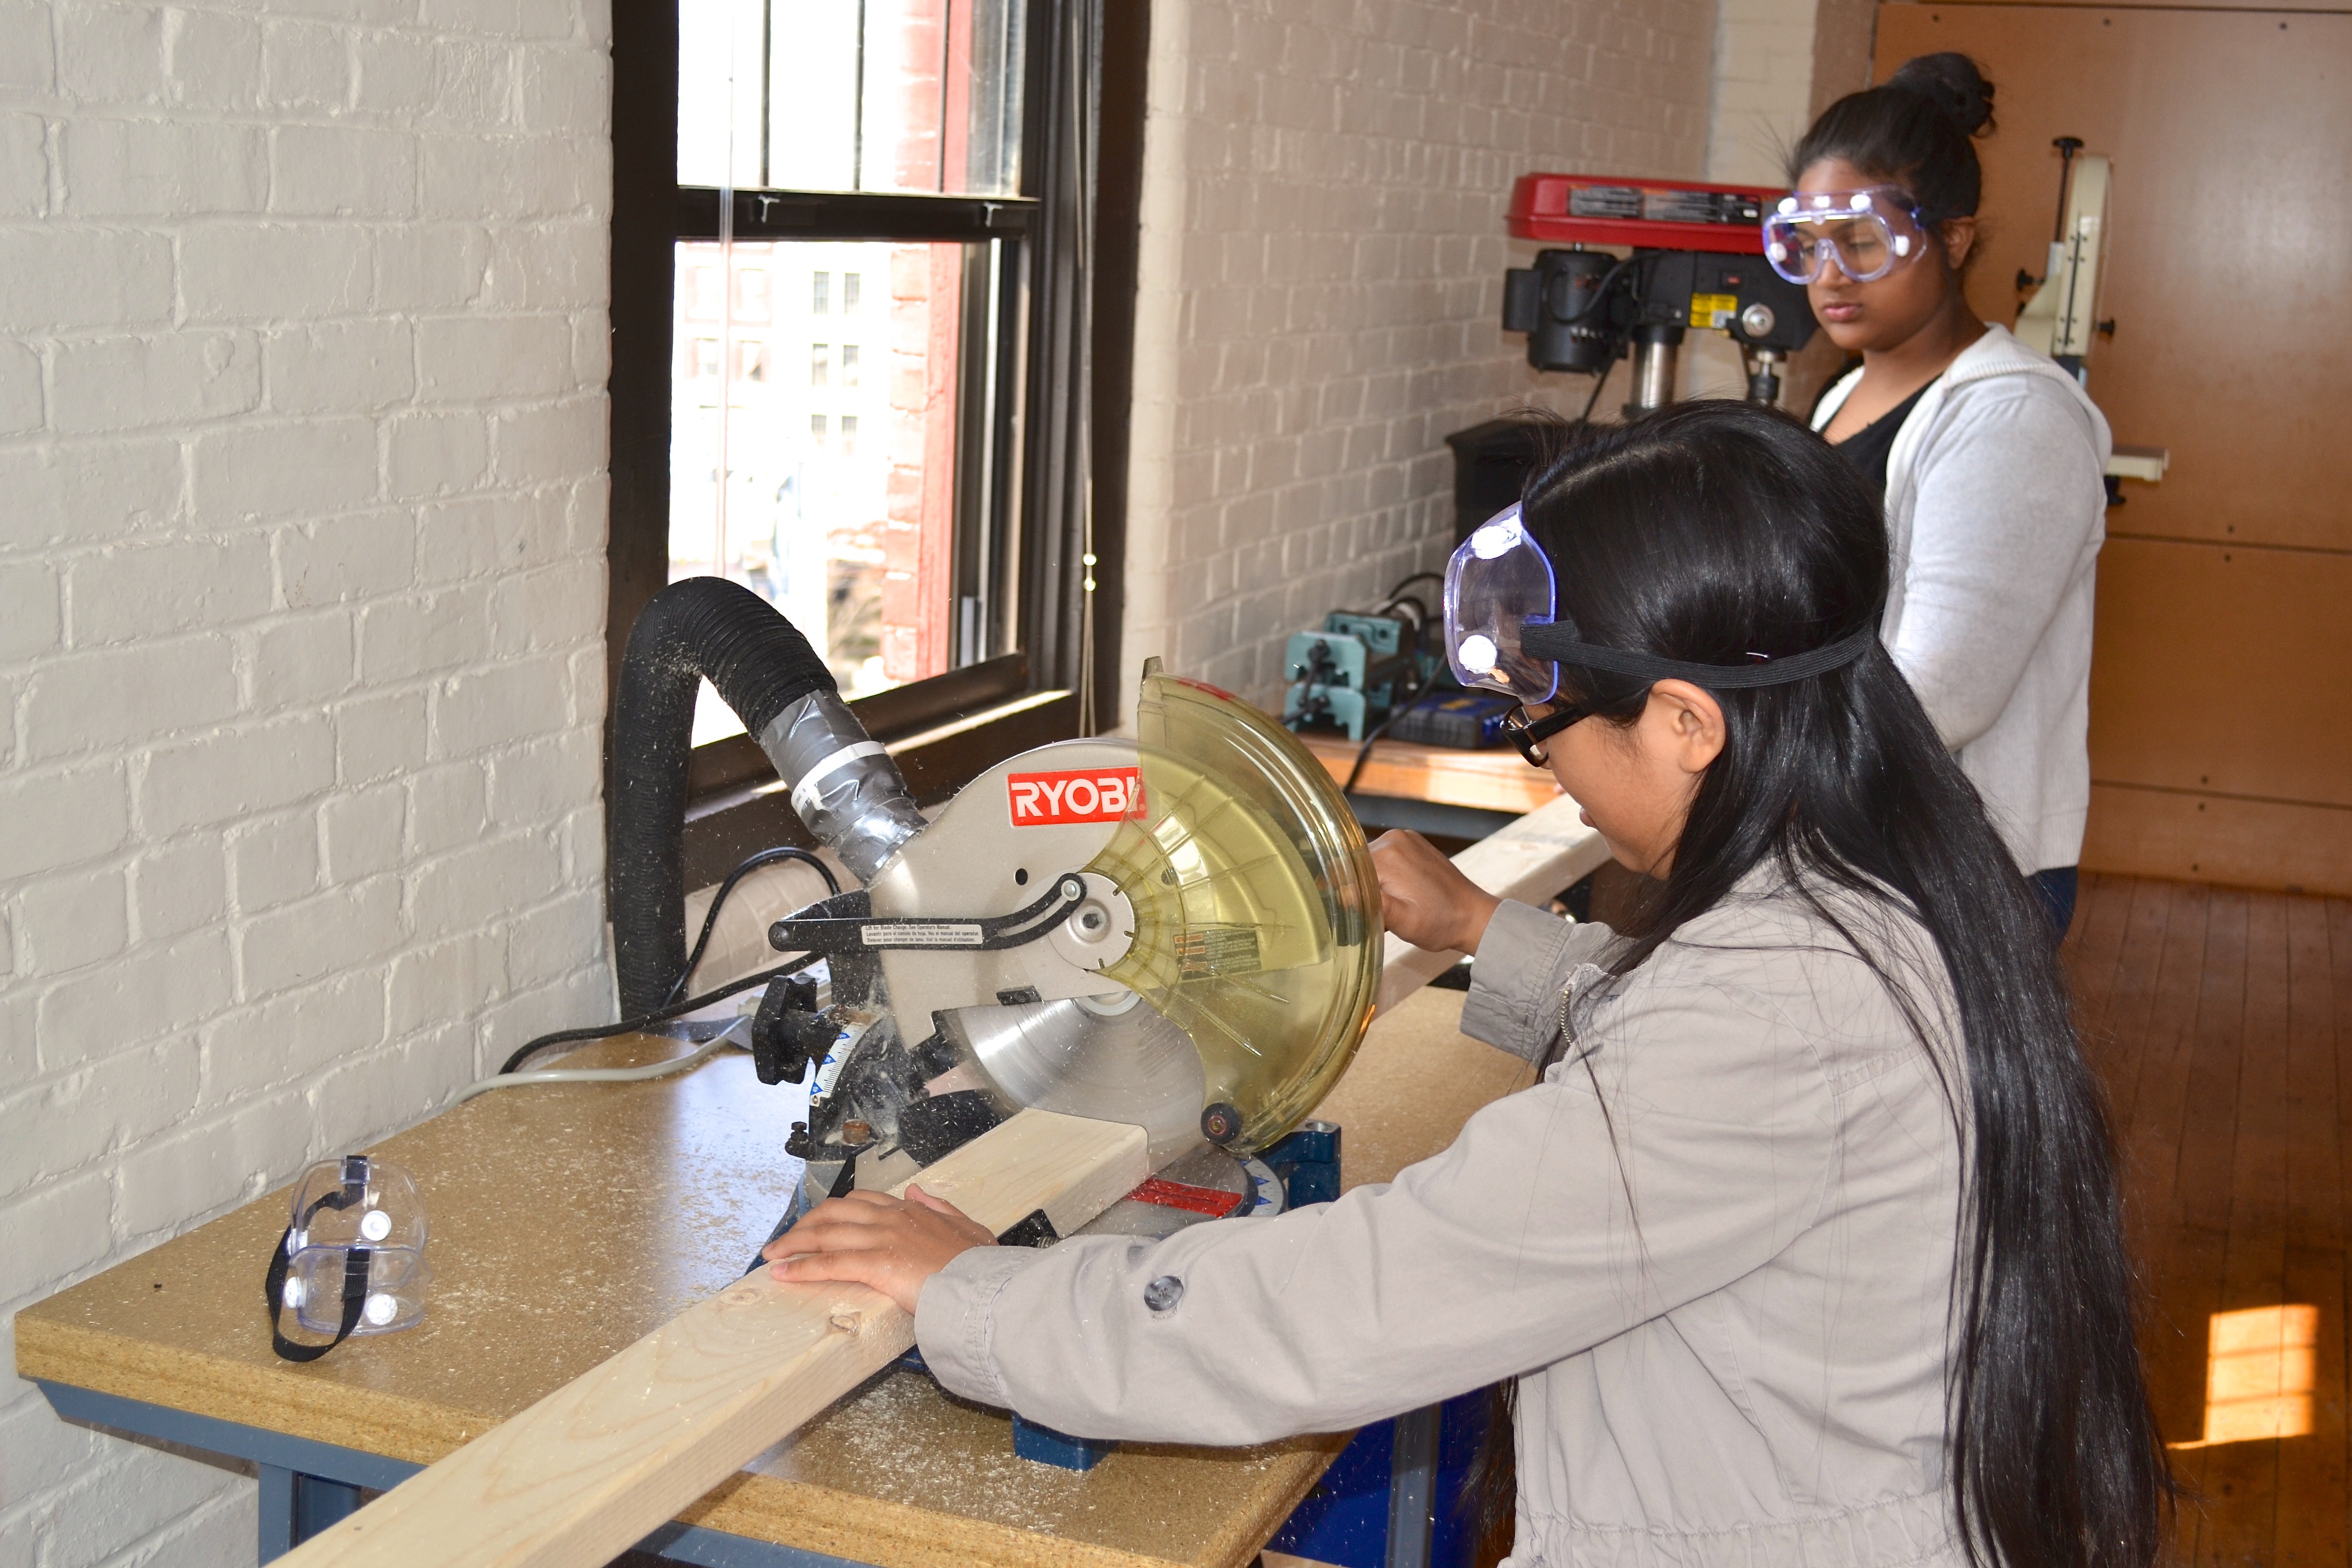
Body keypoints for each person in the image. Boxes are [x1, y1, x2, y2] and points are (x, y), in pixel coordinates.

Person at [766, 405, 2169, 1568]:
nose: (1541, 760)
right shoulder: (1886, 867)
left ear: (1688, 725)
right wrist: (1489, 934)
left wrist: (975, 1297)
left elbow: (1367, 1302)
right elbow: (1705, 1052)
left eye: (1548, 727)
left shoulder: (1770, 1019)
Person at [1768, 53, 2111, 937]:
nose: (1830, 275)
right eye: (1808, 245)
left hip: (1960, 868)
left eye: (1864, 241)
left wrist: (1742, 761)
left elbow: (1941, 696)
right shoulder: (1846, 394)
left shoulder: (2014, 416)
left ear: (1951, 240)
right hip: (1844, 838)